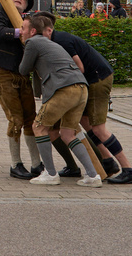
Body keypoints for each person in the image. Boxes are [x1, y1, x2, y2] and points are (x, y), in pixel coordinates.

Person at [46, 17, 132, 183]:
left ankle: (128, 169)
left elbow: (79, 68)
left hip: (98, 79)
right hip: (93, 78)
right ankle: (108, 161)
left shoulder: (61, 41)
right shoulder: (57, 39)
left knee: (98, 128)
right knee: (84, 120)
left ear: (48, 30)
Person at [16, 13, 101, 186]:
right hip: (81, 87)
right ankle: (93, 176)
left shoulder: (33, 42)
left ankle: (51, 174)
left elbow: (23, 69)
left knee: (38, 127)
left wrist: (25, 48)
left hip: (64, 89)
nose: (20, 32)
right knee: (68, 134)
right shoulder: (50, 43)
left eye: (23, 29)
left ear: (32, 31)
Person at [0, 0, 41, 178]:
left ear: (26, 6)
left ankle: (36, 164)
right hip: (2, 68)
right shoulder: (1, 12)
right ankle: (15, 164)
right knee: (15, 118)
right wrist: (20, 32)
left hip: (21, 71)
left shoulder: (27, 20)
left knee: (30, 118)